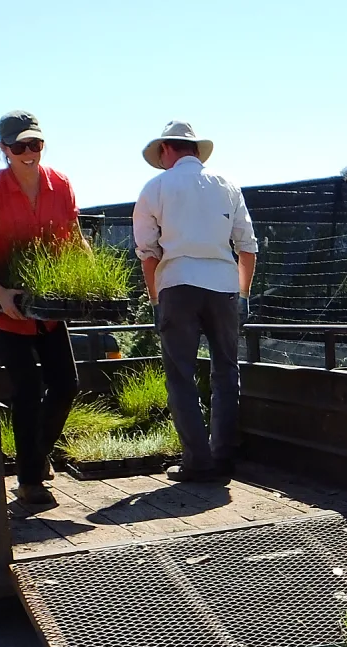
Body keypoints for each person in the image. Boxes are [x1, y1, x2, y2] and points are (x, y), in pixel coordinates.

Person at [0, 110, 82, 506]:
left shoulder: (60, 183)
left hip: (45, 301)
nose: (29, 152)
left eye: (36, 143)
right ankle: (30, 481)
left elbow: (74, 239)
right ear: (4, 150)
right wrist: (0, 292)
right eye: (19, 146)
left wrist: (89, 279)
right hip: (0, 300)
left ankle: (34, 455)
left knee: (66, 383)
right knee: (28, 386)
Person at [133, 120, 258, 483]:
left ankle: (197, 462)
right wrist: (244, 295)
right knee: (226, 372)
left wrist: (157, 301)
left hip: (177, 285)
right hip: (223, 287)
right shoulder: (227, 185)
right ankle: (223, 458)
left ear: (165, 150)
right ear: (194, 150)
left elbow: (148, 254)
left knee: (181, 377)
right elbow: (247, 247)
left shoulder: (155, 188)